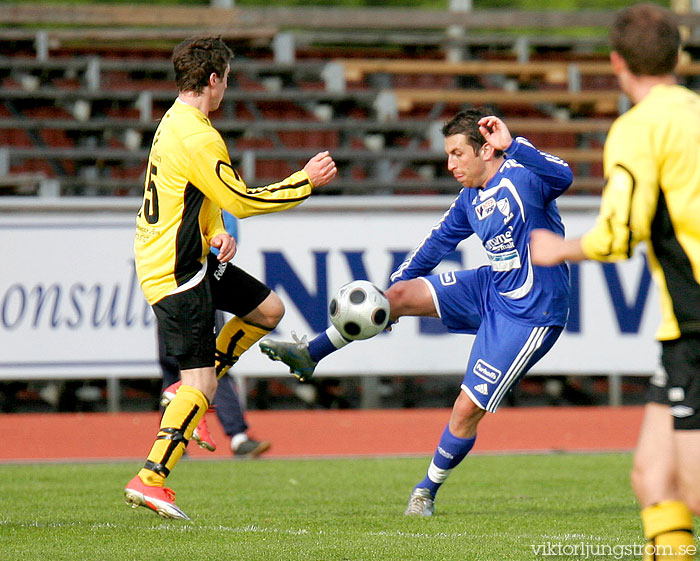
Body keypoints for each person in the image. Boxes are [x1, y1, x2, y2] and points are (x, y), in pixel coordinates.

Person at [260, 107, 573, 516]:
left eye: (458, 154)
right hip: (491, 286)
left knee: (466, 410)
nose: (450, 164)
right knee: (401, 295)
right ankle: (311, 354)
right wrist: (391, 292)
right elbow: (437, 242)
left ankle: (425, 491)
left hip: (531, 310)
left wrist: (512, 144)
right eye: (448, 155)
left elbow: (563, 176)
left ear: (486, 150)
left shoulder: (523, 172)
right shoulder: (470, 199)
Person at [125, 35, 336, 520]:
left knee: (269, 310)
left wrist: (216, 230)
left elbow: (197, 193)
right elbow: (242, 199)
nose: (227, 89)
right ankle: (151, 477)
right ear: (214, 79)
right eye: (227, 80)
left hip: (191, 256)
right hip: (176, 272)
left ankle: (190, 389)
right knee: (201, 387)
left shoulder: (176, 121)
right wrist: (305, 181)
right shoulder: (198, 134)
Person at [529, 5, 700, 559]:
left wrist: (558, 249)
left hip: (696, 319)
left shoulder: (638, 127)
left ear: (617, 62)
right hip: (682, 327)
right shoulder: (695, 112)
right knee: (653, 478)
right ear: (677, 57)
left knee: (694, 489)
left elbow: (619, 233)